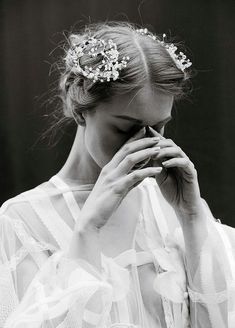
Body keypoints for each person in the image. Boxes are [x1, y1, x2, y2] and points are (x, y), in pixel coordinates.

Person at [0, 21, 234, 328]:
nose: (143, 143)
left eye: (158, 127)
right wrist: (88, 228)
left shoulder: (173, 209)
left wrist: (191, 215)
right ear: (80, 108)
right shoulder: (23, 221)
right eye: (124, 128)